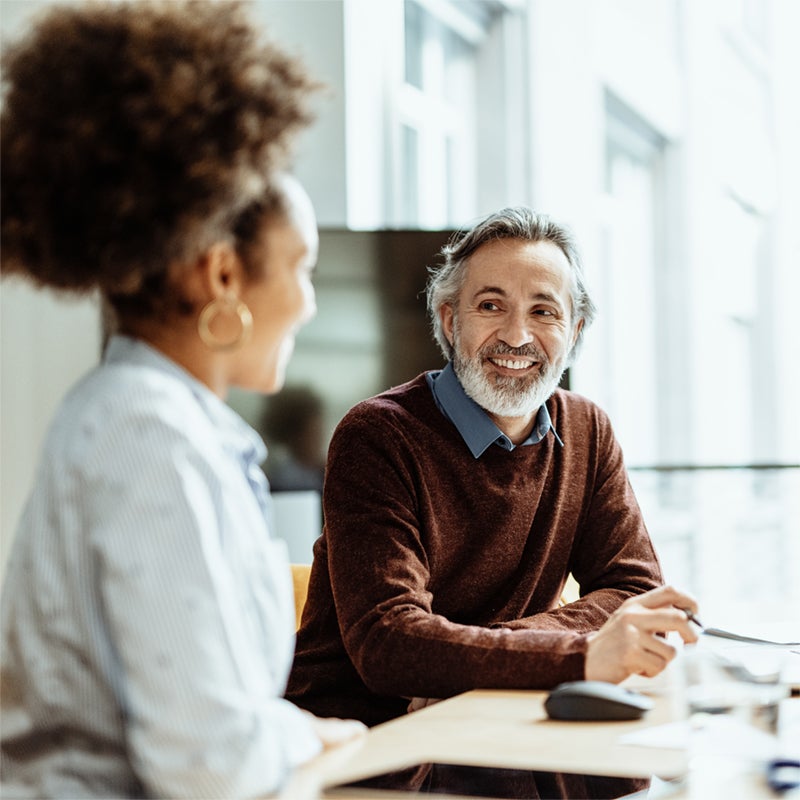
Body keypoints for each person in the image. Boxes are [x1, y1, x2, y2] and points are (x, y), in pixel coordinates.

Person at [0, 2, 363, 797]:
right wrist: (307, 742)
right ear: (222, 275)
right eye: (299, 267)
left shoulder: (151, 419)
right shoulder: (146, 437)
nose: (307, 302)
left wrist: (297, 733)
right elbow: (207, 764)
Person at [286, 207, 700, 727]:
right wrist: (577, 655)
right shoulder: (376, 435)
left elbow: (634, 591)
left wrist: (470, 667)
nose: (517, 335)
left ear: (574, 331)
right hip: (371, 736)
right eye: (490, 305)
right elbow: (388, 642)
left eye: (545, 312)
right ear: (449, 320)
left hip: (512, 717)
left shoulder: (587, 429)